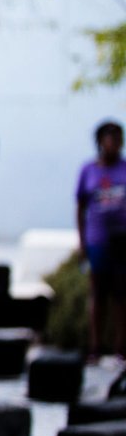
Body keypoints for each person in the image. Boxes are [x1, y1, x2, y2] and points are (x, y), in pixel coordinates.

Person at [76, 120, 126, 363]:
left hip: (122, 239)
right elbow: (80, 207)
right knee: (98, 294)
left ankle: (121, 347)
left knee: (121, 295)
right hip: (98, 239)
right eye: (110, 138)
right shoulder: (89, 170)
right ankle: (95, 346)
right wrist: (82, 242)